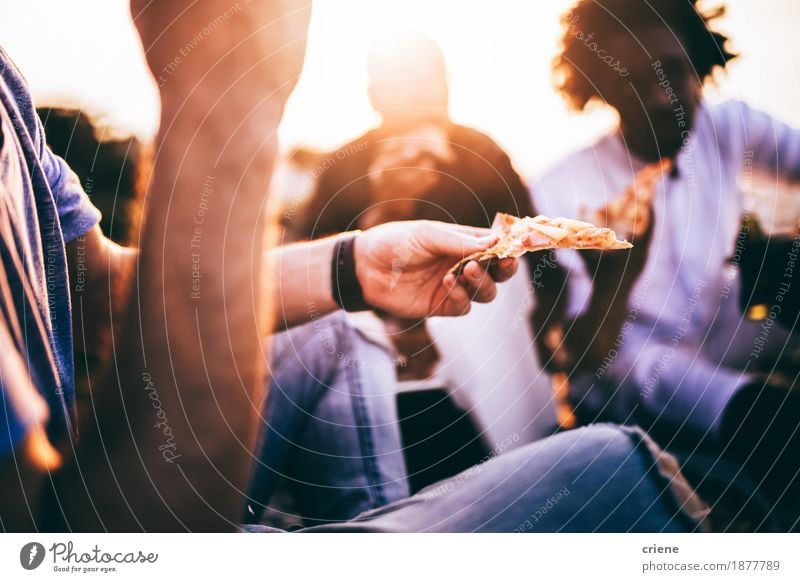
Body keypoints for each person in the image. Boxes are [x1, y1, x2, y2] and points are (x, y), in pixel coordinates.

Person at [0, 0, 706, 532]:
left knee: (351, 329)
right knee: (628, 467)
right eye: (396, 82)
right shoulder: (345, 164)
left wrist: (354, 268)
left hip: (486, 382)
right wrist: (226, 96)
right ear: (372, 94)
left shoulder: (486, 153)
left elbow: (102, 291)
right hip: (102, 506)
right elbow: (50, 538)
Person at [533, 0, 800, 503]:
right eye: (631, 81)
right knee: (772, 422)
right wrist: (618, 275)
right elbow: (577, 358)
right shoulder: (559, 189)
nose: (659, 98)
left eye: (674, 72)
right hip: (638, 382)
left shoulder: (730, 128)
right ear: (598, 87)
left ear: (700, 63)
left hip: (732, 340)